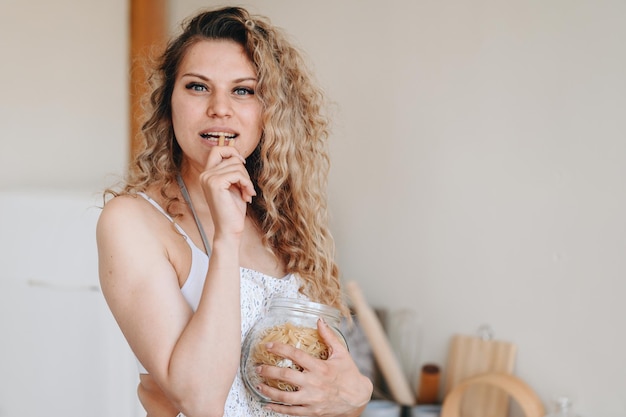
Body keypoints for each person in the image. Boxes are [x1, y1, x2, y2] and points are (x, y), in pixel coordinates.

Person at [96, 6, 373, 417]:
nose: (219, 108)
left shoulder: (284, 220)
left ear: (270, 112)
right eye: (197, 87)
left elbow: (322, 397)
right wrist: (227, 239)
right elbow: (200, 400)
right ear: (168, 102)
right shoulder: (133, 221)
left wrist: (357, 392)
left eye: (243, 90)